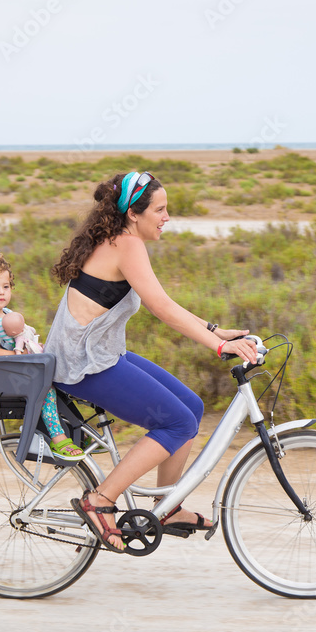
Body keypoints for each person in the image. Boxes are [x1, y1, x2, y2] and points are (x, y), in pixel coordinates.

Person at [43, 171, 259, 551]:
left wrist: (214, 330)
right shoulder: (126, 245)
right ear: (133, 215)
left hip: (98, 353)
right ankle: (100, 500)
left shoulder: (119, 241)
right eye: (159, 209)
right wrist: (217, 347)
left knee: (191, 407)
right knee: (176, 423)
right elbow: (160, 307)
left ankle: (166, 506)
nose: (167, 217)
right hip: (82, 362)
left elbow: (164, 299)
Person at [0, 249, 85, 461]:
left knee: (59, 375)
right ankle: (58, 438)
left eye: (6, 287)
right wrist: (20, 354)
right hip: (6, 375)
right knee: (46, 392)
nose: (2, 292)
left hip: (18, 369)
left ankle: (77, 431)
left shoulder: (6, 314)